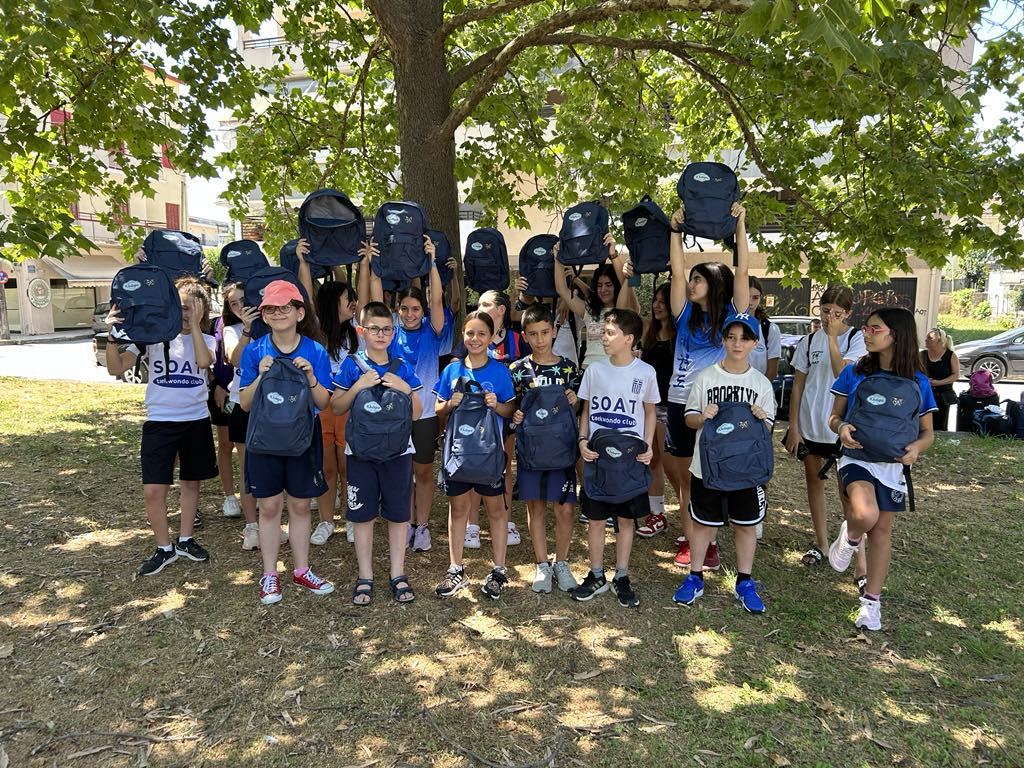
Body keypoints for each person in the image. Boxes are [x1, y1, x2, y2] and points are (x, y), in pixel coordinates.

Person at [827, 308, 936, 631]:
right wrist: (842, 427)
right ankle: (850, 536)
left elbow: (928, 433)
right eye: (866, 328)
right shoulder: (854, 372)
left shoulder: (918, 381)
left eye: (875, 329)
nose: (867, 333)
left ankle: (871, 603)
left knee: (881, 533)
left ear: (897, 335)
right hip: (856, 458)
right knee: (864, 515)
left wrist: (916, 449)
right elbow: (833, 417)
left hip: (892, 466)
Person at [104, 276, 217, 576]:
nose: (184, 313)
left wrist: (195, 326)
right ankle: (164, 547)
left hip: (195, 420)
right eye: (179, 307)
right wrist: (111, 338)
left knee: (191, 483)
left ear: (203, 311)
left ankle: (186, 539)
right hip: (160, 422)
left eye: (191, 308)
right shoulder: (153, 338)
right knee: (154, 489)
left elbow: (204, 363)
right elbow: (116, 368)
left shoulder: (207, 340)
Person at [665, 203, 750, 571]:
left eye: (698, 279)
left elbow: (742, 270)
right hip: (679, 402)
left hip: (715, 407)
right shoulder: (684, 315)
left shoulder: (732, 317)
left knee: (708, 477)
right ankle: (691, 539)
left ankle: (710, 543)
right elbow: (676, 270)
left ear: (714, 284)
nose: (691, 283)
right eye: (692, 279)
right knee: (686, 478)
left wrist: (740, 224)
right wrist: (675, 231)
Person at [239, 280, 335, 606]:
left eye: (285, 307)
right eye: (271, 308)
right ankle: (269, 573)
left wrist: (311, 378)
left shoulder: (315, 351)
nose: (278, 313)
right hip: (264, 440)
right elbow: (245, 403)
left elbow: (324, 402)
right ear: (264, 315)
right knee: (268, 507)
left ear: (299, 313)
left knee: (299, 505)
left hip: (302, 440)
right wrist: (261, 376)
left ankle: (302, 569)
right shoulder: (255, 351)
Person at [672, 314, 776, 613]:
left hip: (746, 469)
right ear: (723, 340)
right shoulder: (707, 377)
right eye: (731, 337)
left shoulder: (760, 383)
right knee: (703, 523)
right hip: (708, 467)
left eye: (744, 338)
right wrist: (702, 416)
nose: (737, 344)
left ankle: (745, 581)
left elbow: (767, 428)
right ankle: (695, 576)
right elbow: (689, 418)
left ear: (755, 344)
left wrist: (761, 419)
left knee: (745, 525)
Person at [331, 301, 424, 605]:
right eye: (374, 329)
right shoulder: (352, 365)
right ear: (362, 331)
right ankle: (365, 575)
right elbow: (336, 406)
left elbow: (417, 412)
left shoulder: (402, 366)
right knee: (363, 516)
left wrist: (404, 388)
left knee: (398, 514)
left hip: (398, 453)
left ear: (393, 332)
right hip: (360, 454)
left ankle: (398, 573)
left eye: (386, 329)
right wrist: (358, 386)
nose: (381, 335)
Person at [573, 308, 658, 607]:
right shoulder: (594, 370)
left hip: (629, 460)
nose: (604, 338)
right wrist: (582, 440)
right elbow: (586, 411)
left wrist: (648, 446)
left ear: (629, 339)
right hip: (598, 458)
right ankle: (596, 574)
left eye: (610, 333)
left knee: (625, 520)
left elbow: (650, 412)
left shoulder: (645, 372)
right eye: (604, 332)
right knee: (595, 519)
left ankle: (621, 575)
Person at [785, 287, 868, 587]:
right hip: (811, 423)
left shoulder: (856, 339)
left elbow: (841, 373)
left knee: (849, 493)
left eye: (836, 312)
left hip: (842, 425)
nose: (829, 317)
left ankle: (860, 562)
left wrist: (832, 338)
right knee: (814, 482)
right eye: (824, 310)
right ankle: (821, 543)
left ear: (847, 313)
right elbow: (798, 385)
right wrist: (794, 426)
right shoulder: (808, 341)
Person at [434, 310, 517, 600]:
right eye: (470, 333)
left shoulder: (500, 371)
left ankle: (499, 570)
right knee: (458, 509)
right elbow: (438, 408)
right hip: (458, 454)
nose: (475, 338)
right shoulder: (452, 370)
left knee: (496, 510)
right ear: (463, 335)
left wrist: (498, 405)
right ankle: (455, 568)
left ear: (491, 337)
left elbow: (510, 408)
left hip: (489, 454)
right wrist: (449, 404)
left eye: (482, 333)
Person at [509, 304, 582, 593]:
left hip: (562, 450)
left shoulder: (568, 368)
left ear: (554, 331)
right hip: (531, 451)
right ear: (524, 336)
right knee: (535, 506)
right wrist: (514, 415)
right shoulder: (517, 370)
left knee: (564, 508)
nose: (540, 339)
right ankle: (542, 564)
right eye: (533, 334)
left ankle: (561, 562)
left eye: (544, 332)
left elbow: (579, 409)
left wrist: (575, 400)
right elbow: (511, 407)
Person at [296, 238, 362, 546]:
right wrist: (304, 263)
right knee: (326, 467)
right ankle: (325, 521)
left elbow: (357, 291)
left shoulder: (356, 331)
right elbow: (306, 297)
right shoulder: (316, 329)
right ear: (334, 302)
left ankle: (352, 518)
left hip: (348, 406)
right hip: (321, 406)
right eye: (348, 299)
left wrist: (344, 261)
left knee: (349, 466)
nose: (354, 303)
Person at [459, 290, 528, 549]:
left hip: (507, 414)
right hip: (473, 419)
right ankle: (472, 525)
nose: (480, 307)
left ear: (501, 309)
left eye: (485, 304)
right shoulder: (473, 335)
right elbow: (458, 368)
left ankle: (506, 520)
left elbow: (529, 371)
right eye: (478, 304)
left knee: (504, 465)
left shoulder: (516, 338)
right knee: (473, 466)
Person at [636, 282, 681, 538]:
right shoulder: (648, 331)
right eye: (655, 300)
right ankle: (657, 514)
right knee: (651, 460)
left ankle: (691, 516)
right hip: (648, 406)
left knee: (673, 468)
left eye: (663, 302)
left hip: (670, 407)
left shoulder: (681, 335)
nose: (657, 306)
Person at [220, 282, 262, 550]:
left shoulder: (269, 324)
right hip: (241, 404)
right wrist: (246, 330)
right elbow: (235, 359)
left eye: (243, 300)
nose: (239, 307)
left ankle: (270, 523)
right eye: (233, 303)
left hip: (271, 406)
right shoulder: (231, 329)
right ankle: (251, 526)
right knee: (248, 469)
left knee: (272, 467)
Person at [554, 239, 639, 370]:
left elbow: (626, 283)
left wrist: (613, 255)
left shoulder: (627, 309)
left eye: (608, 285)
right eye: (599, 285)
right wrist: (558, 258)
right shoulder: (589, 311)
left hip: (617, 371)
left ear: (616, 286)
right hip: (590, 369)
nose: (603, 289)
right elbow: (562, 290)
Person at [921, 327, 959, 432]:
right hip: (925, 394)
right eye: (926, 338)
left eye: (930, 338)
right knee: (924, 424)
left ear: (940, 340)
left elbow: (956, 375)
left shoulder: (950, 355)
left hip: (943, 396)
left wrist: (938, 383)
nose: (926, 340)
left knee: (940, 425)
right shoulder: (922, 355)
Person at [748, 276, 781, 382]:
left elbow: (772, 372)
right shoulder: (726, 325)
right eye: (746, 296)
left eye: (755, 297)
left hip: (758, 388)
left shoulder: (770, 329)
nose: (750, 302)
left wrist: (759, 390)